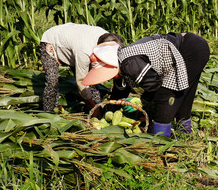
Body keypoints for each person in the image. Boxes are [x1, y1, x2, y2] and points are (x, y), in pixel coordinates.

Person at [81, 32, 210, 137]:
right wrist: (107, 111)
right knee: (182, 95)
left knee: (166, 98)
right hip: (192, 47)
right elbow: (119, 92)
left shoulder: (129, 63)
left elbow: (155, 84)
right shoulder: (120, 66)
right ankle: (185, 133)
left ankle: (161, 142)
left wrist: (142, 100)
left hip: (190, 49)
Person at [39, 23, 124, 112]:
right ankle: (49, 113)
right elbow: (82, 82)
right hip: (51, 41)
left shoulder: (111, 40)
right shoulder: (85, 52)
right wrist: (93, 107)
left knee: (92, 81)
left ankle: (97, 109)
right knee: (52, 81)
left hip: (73, 42)